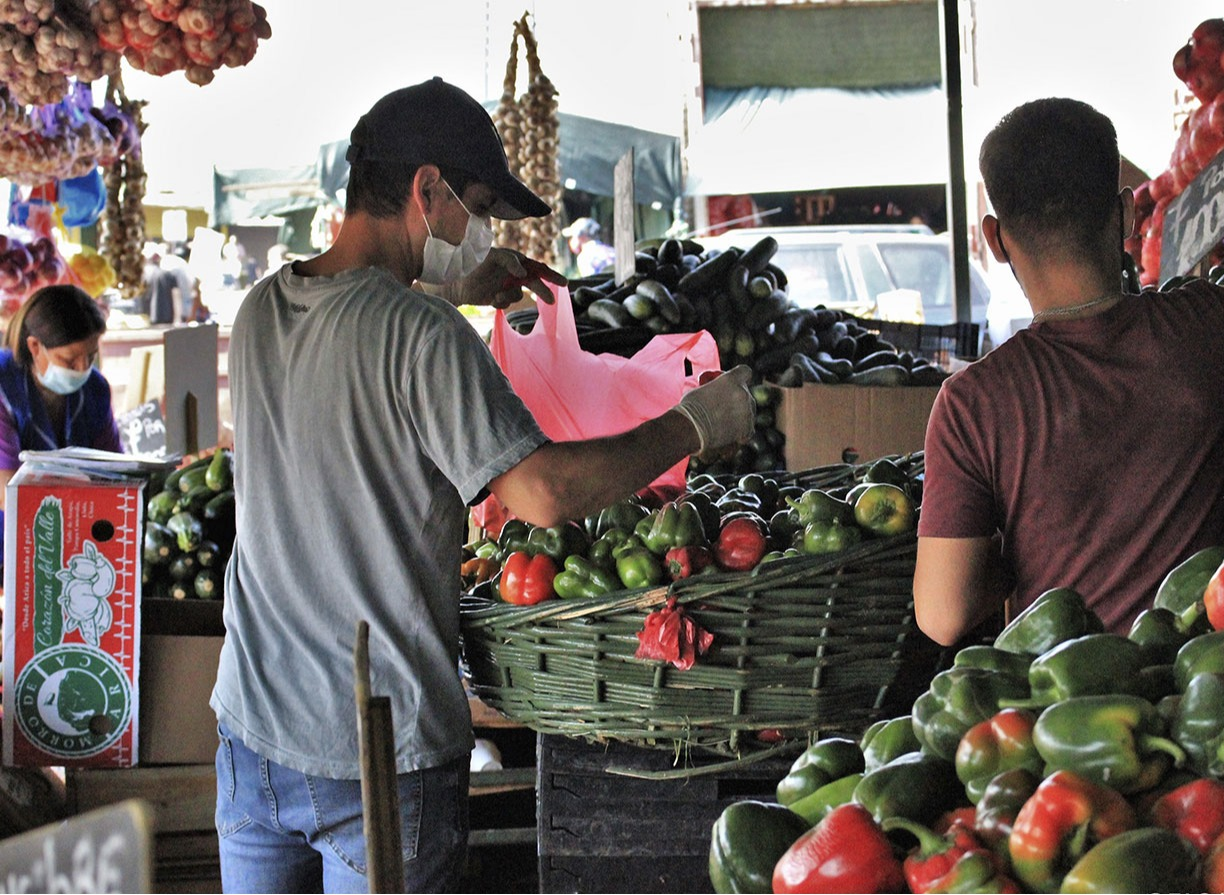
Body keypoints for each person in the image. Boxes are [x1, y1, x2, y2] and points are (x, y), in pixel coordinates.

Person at [210, 76, 754, 894]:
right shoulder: (422, 335)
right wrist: (692, 423)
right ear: (426, 191)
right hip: (375, 753)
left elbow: (355, 348)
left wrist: (444, 289)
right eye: (475, 205)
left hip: (250, 732)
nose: (482, 229)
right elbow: (543, 493)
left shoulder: (259, 312)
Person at [912, 98, 1224, 643]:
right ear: (1128, 214)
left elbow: (944, 616)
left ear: (995, 239)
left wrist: (1016, 552)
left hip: (1062, 713)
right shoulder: (1215, 322)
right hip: (1212, 681)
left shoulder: (973, 403)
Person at [0, 284, 122, 555]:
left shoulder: (95, 389)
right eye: (69, 360)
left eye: (90, 357)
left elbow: (113, 469)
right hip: (8, 542)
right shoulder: (3, 384)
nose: (82, 369)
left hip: (76, 542)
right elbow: (5, 488)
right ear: (34, 346)